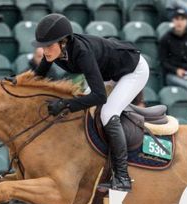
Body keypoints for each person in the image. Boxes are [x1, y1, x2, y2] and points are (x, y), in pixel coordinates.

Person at [31, 14, 149, 192]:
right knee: (83, 111)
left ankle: (123, 177)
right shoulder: (56, 52)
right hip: (109, 75)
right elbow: (37, 77)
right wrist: (16, 82)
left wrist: (64, 104)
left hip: (133, 71)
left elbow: (99, 96)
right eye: (43, 46)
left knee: (107, 113)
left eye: (49, 45)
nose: (45, 51)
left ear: (63, 42)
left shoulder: (82, 52)